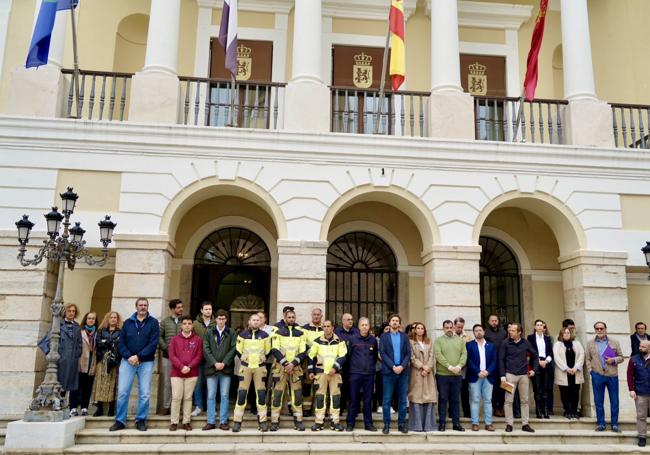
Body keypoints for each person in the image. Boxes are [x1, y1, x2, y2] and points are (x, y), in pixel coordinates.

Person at [110, 297, 160, 432]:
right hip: (127, 362)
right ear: (136, 307)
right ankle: (120, 421)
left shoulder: (153, 323)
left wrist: (138, 356)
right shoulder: (128, 323)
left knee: (144, 393)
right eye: (140, 305)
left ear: (147, 307)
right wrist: (129, 357)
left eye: (145, 305)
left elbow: (153, 343)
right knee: (122, 392)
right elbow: (121, 343)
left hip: (146, 362)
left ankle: (141, 420)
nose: (143, 307)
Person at [232, 313, 271, 432]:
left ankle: (263, 421)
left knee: (261, 395)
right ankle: (237, 422)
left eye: (258, 320)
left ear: (260, 322)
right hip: (246, 368)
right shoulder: (242, 335)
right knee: (242, 394)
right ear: (249, 321)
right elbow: (238, 350)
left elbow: (268, 351)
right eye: (253, 320)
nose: (255, 322)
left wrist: (260, 359)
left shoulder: (265, 335)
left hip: (260, 368)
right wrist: (246, 359)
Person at [270, 308, 307, 431]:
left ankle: (298, 421)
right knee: (277, 395)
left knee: (297, 395)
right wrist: (286, 364)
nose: (291, 319)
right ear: (285, 318)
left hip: (295, 368)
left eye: (293, 317)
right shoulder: (278, 332)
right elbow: (274, 349)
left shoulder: (300, 333)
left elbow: (303, 351)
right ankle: (275, 421)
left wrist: (293, 364)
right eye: (289, 317)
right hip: (281, 368)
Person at [307, 319, 347, 431]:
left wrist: (335, 367)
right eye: (324, 326)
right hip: (321, 373)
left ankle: (335, 422)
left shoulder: (340, 340)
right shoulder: (317, 341)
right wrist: (310, 371)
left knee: (335, 398)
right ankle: (319, 422)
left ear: (332, 328)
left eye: (328, 326)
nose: (326, 328)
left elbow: (343, 356)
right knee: (320, 398)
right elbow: (311, 357)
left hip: (335, 373)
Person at [585, 321, 623, 432]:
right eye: (597, 328)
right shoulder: (590, 343)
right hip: (597, 375)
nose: (599, 330)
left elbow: (621, 357)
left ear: (605, 329)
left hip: (612, 375)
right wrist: (591, 371)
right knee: (598, 401)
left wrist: (614, 360)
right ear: (595, 330)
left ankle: (614, 424)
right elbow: (587, 358)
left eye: (601, 328)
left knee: (614, 401)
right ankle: (601, 423)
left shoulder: (614, 342)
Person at [499, 322, 538, 433]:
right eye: (510, 330)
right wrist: (502, 375)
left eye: (512, 330)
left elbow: (535, 355)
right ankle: (509, 424)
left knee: (524, 401)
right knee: (508, 401)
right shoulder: (505, 343)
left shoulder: (526, 343)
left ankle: (525, 424)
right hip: (509, 375)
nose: (510, 332)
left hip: (524, 376)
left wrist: (534, 370)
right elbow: (501, 360)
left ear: (519, 332)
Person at [202, 309, 236, 431]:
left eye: (223, 319)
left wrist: (224, 363)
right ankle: (210, 421)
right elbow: (205, 349)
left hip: (225, 369)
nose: (221, 321)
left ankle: (223, 421)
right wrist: (214, 363)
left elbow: (233, 349)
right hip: (212, 368)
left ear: (226, 320)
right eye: (219, 318)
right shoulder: (209, 332)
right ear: (215, 319)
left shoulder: (231, 332)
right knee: (211, 395)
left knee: (225, 395)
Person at [168, 316, 203, 431]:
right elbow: (172, 356)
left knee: (188, 398)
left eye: (189, 323)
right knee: (176, 397)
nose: (187, 325)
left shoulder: (197, 340)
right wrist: (181, 366)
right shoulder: (175, 339)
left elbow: (199, 355)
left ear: (192, 325)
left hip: (192, 373)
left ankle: (186, 421)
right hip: (177, 373)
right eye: (185, 323)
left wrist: (189, 366)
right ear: (181, 326)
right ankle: (174, 422)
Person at [379, 314, 410, 434]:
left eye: (397, 321)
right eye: (393, 320)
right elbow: (383, 353)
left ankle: (401, 424)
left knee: (402, 400)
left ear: (399, 323)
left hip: (402, 372)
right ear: (389, 323)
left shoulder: (405, 337)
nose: (395, 322)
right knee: (387, 399)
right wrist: (393, 366)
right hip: (389, 371)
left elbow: (408, 353)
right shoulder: (384, 336)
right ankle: (386, 424)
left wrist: (402, 366)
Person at [346, 317, 378, 432]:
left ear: (369, 326)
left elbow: (374, 357)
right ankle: (350, 424)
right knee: (353, 400)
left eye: (366, 325)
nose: (365, 327)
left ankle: (368, 424)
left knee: (368, 400)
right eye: (362, 325)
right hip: (355, 374)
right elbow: (348, 356)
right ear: (359, 327)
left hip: (369, 374)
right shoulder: (352, 339)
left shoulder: (373, 340)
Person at [434, 319, 467, 432]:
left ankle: (456, 423)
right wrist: (449, 367)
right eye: (446, 328)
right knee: (443, 399)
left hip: (457, 375)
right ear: (443, 329)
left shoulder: (460, 340)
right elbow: (438, 355)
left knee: (455, 400)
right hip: (442, 374)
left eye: (450, 327)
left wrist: (459, 366)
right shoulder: (438, 341)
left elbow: (464, 354)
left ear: (453, 328)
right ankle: (442, 423)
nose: (448, 329)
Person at [466, 324, 496, 431]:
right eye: (476, 330)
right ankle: (475, 423)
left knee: (488, 400)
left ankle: (488, 423)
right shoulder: (469, 345)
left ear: (484, 332)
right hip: (475, 376)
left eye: (480, 330)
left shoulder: (491, 345)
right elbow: (468, 361)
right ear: (473, 333)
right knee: (475, 400)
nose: (478, 332)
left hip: (489, 377)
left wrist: (487, 371)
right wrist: (478, 372)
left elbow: (494, 361)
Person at [407, 322, 437, 432]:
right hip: (416, 373)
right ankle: (416, 426)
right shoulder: (410, 342)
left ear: (424, 330)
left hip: (428, 374)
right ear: (415, 330)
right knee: (416, 398)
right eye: (418, 328)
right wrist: (422, 367)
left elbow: (432, 356)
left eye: (422, 328)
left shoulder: (429, 342)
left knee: (428, 398)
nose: (420, 330)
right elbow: (412, 357)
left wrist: (428, 368)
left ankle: (429, 426)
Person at [92, 311, 122, 417]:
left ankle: (111, 408)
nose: (113, 319)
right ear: (107, 319)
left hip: (113, 361)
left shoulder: (120, 332)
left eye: (115, 317)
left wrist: (107, 342)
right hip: (102, 360)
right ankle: (99, 408)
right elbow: (98, 343)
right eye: (111, 317)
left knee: (112, 384)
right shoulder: (101, 331)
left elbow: (119, 345)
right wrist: (109, 343)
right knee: (100, 383)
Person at [159, 299, 184, 415]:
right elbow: (159, 337)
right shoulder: (165, 322)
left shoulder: (185, 322)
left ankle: (179, 408)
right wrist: (166, 348)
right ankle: (166, 406)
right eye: (179, 307)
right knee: (167, 384)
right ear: (173, 309)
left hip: (182, 358)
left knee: (181, 383)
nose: (181, 309)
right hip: (167, 357)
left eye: (181, 307)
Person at [553, 327, 584, 420]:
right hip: (563, 372)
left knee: (575, 392)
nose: (566, 334)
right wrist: (566, 368)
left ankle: (574, 411)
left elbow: (582, 355)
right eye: (564, 333)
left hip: (576, 372)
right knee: (565, 393)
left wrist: (576, 367)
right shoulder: (558, 344)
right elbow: (557, 358)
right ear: (561, 334)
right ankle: (567, 411)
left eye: (568, 333)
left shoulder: (577, 343)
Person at [70, 311, 97, 416]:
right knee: (76, 386)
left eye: (93, 318)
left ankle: (84, 408)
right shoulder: (79, 331)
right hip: (80, 362)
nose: (91, 320)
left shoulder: (97, 333)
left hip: (91, 363)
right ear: (86, 320)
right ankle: (73, 407)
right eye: (89, 318)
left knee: (87, 386)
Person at [192, 301, 215, 417]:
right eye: (206, 309)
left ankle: (211, 407)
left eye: (210, 309)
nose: (208, 311)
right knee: (198, 383)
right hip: (198, 357)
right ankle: (198, 406)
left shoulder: (216, 323)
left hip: (212, 358)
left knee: (211, 383)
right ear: (201, 310)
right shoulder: (195, 324)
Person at [527, 319, 553, 419]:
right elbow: (530, 351)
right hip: (535, 363)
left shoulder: (547, 338)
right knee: (537, 388)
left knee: (545, 388)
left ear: (543, 327)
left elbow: (550, 352)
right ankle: (538, 410)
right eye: (537, 325)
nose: (539, 327)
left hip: (546, 364)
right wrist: (538, 361)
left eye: (541, 325)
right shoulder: (530, 338)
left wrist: (546, 361)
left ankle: (545, 410)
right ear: (534, 327)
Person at [627, 339, 650, 447]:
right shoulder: (633, 359)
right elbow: (629, 375)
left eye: (644, 347)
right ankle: (642, 437)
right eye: (640, 346)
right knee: (641, 416)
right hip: (640, 392)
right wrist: (631, 389)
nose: (641, 348)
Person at [302, 307, 324, 417]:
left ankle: (318, 409)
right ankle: (306, 408)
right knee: (307, 384)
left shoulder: (325, 328)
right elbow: (302, 342)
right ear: (311, 315)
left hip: (321, 360)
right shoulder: (305, 328)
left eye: (318, 314)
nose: (316, 316)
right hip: (308, 360)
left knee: (320, 385)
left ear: (321, 316)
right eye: (314, 314)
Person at [335, 313, 359, 413]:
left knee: (353, 387)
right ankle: (340, 409)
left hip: (354, 364)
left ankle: (354, 410)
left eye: (352, 319)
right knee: (341, 387)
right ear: (343, 321)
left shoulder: (356, 332)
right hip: (341, 365)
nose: (350, 321)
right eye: (348, 319)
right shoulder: (337, 332)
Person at [484, 314, 507, 417]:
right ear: (489, 322)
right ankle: (495, 408)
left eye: (495, 320)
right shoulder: (486, 333)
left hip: (503, 364)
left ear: (498, 321)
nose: (494, 322)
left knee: (503, 387)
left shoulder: (503, 332)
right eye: (492, 320)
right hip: (491, 364)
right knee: (493, 388)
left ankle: (501, 407)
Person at [454, 317, 471, 418]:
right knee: (453, 394)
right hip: (452, 368)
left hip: (464, 369)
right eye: (458, 327)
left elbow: (468, 353)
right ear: (454, 326)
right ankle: (452, 414)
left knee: (465, 393)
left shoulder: (467, 337)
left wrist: (462, 364)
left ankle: (467, 414)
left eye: (461, 327)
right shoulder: (450, 336)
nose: (460, 329)